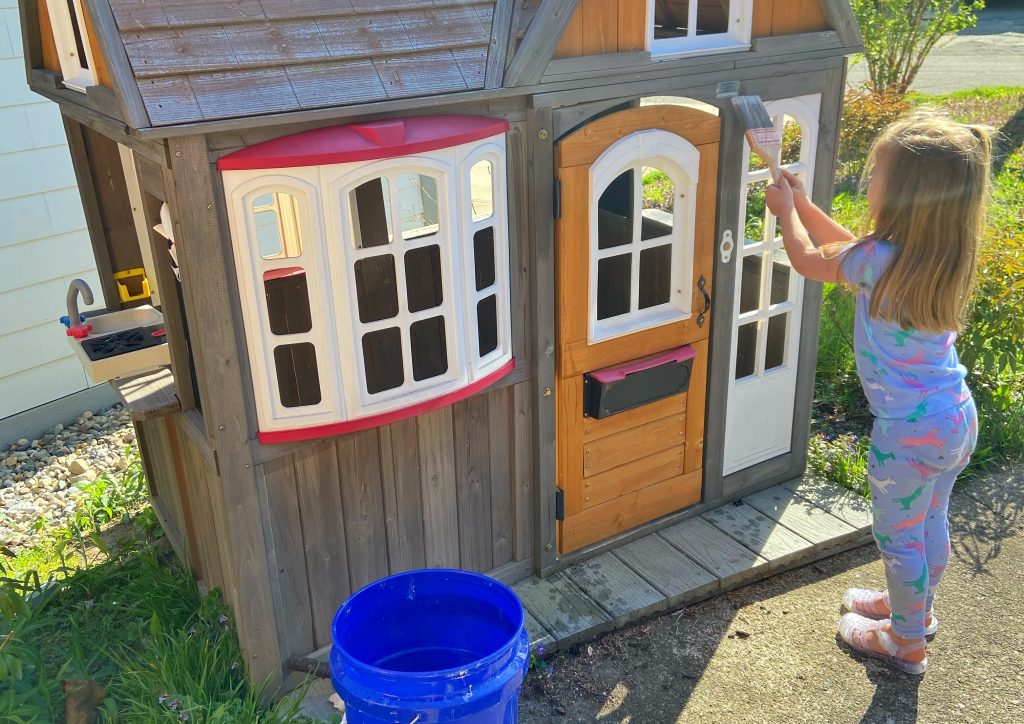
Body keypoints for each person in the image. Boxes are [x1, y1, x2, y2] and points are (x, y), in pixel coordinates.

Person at [764, 112, 992, 674]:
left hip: (907, 437)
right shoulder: (936, 257)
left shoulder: (877, 261)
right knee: (930, 523)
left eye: (876, 175)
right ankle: (914, 610)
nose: (868, 183)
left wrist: (787, 215)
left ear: (907, 195)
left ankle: (905, 641)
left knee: (900, 542)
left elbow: (808, 259)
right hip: (954, 419)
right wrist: (806, 205)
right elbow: (848, 252)